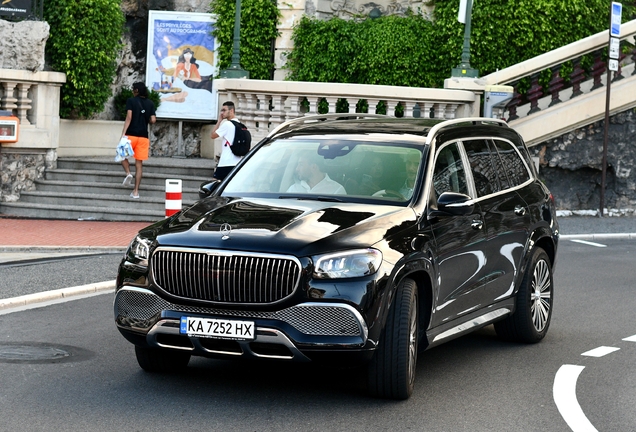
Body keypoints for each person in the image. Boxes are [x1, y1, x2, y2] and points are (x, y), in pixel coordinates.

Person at [120, 82, 157, 199]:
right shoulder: (150, 103)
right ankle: (135, 192)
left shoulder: (131, 101)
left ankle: (128, 173)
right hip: (143, 137)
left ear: (136, 90)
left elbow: (129, 117)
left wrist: (123, 134)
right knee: (139, 165)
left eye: (133, 89)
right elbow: (153, 120)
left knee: (122, 155)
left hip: (131, 134)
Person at [210, 101, 243, 181]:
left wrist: (219, 121)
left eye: (224, 110)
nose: (222, 113)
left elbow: (213, 135)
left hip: (226, 162)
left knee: (214, 185)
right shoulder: (239, 124)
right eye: (221, 110)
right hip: (237, 162)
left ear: (231, 111)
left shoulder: (227, 124)